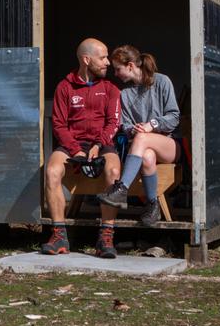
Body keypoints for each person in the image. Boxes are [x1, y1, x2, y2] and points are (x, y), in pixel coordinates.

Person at [41, 38, 122, 258]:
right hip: (72, 144)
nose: (108, 62)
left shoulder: (111, 89)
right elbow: (59, 124)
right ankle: (59, 235)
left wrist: (98, 144)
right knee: (52, 171)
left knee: (114, 171)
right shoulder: (64, 87)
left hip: (102, 144)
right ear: (86, 60)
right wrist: (75, 149)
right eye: (103, 58)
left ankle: (106, 237)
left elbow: (114, 123)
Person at [97, 45, 181, 226]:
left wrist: (152, 125)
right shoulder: (125, 94)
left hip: (169, 146)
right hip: (141, 150)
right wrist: (133, 130)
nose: (115, 74)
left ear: (130, 66)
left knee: (142, 138)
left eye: (118, 69)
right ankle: (153, 206)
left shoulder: (162, 81)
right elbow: (125, 125)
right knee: (147, 157)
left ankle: (122, 188)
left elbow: (174, 117)